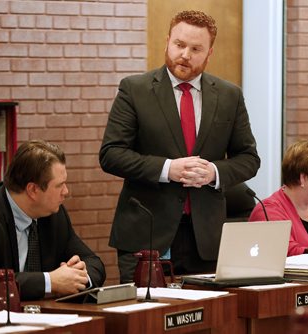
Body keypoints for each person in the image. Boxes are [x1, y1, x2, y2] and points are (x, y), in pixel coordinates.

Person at [100, 10, 260, 282]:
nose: (185, 54)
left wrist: (214, 173)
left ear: (209, 53)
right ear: (167, 42)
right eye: (179, 44)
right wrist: (167, 169)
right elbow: (111, 154)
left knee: (206, 319)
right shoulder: (134, 90)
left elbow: (248, 158)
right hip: (147, 235)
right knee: (147, 321)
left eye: (196, 48)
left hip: (205, 239)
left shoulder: (229, 95)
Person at [0, 140, 106, 300]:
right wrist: (50, 282)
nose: (66, 192)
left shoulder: (53, 214)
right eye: (60, 185)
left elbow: (93, 262)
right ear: (33, 190)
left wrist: (77, 276)